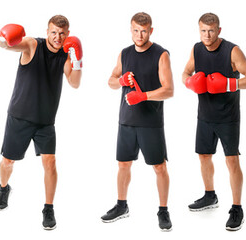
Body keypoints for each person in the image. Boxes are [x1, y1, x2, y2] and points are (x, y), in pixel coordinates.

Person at [0, 14, 83, 230]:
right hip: (19, 117)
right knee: (8, 162)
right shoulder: (33, 45)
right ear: (47, 32)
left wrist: (78, 60)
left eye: (62, 33)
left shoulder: (66, 54)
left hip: (45, 121)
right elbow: (7, 46)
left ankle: (48, 208)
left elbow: (74, 83)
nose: (57, 37)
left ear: (67, 34)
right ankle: (4, 188)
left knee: (50, 162)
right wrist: (3, 38)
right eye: (54, 32)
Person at [181, 12, 246, 231]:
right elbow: (185, 72)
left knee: (231, 160)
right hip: (204, 115)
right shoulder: (196, 49)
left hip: (227, 117)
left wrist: (228, 84)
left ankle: (237, 208)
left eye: (211, 31)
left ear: (219, 30)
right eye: (203, 31)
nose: (207, 35)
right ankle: (210, 196)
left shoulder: (232, 51)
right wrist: (189, 82)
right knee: (204, 156)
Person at [102, 12, 175, 232]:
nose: (139, 35)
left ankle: (163, 210)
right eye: (136, 30)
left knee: (159, 167)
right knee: (123, 164)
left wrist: (143, 96)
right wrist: (121, 80)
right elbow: (111, 81)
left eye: (144, 31)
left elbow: (169, 90)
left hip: (151, 121)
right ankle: (121, 205)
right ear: (131, 29)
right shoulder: (124, 53)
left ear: (151, 30)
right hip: (126, 120)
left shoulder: (161, 54)